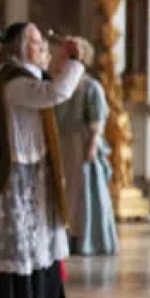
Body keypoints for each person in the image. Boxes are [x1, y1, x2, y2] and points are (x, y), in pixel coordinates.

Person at [0, 23, 82, 298]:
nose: (41, 46)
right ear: (19, 47)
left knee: (32, 231)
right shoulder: (14, 81)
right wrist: (76, 63)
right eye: (34, 42)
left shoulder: (21, 77)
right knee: (16, 232)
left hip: (31, 163)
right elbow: (55, 93)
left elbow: (49, 85)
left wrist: (63, 62)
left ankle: (26, 295)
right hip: (16, 166)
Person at [53, 37, 119, 257]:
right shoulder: (58, 84)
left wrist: (91, 146)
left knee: (83, 192)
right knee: (67, 191)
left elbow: (96, 121)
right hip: (64, 142)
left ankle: (86, 238)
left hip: (81, 143)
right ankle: (67, 235)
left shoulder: (90, 86)